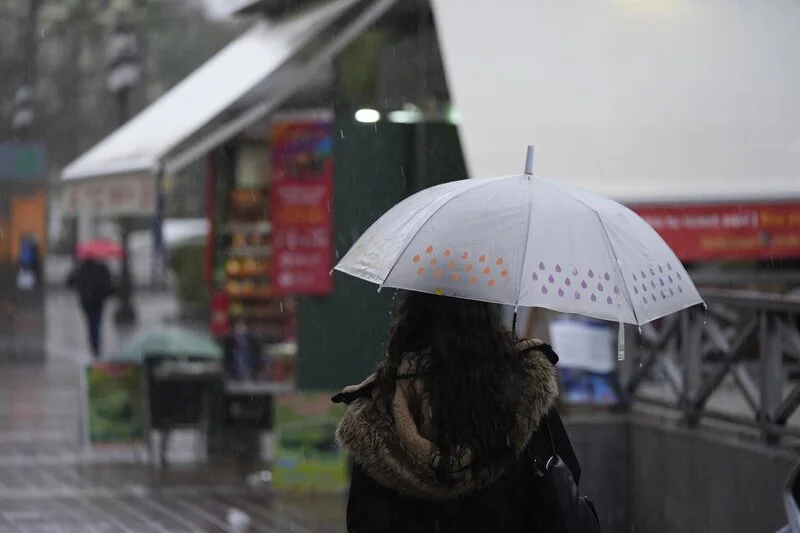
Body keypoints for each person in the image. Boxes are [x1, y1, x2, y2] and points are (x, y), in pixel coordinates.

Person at [333, 291, 582, 533]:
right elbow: (563, 490)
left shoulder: (379, 411)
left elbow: (362, 520)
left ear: (411, 319)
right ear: (488, 317)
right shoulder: (524, 392)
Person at [66, 257, 115, 358]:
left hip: (86, 301)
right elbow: (109, 284)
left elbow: (69, 282)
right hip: (98, 301)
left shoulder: (81, 269)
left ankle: (94, 345)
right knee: (96, 323)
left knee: (91, 323)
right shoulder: (101, 268)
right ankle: (96, 345)